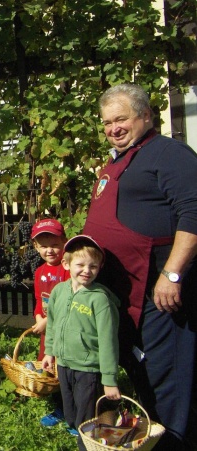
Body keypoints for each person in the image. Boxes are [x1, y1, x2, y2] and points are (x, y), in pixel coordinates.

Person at [82, 83, 197, 450]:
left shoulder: (169, 154)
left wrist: (173, 274)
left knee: (169, 376)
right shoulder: (120, 159)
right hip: (125, 288)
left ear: (146, 116)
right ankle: (151, 435)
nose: (112, 128)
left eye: (121, 119)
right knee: (142, 370)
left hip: (158, 290)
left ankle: (176, 442)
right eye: (106, 123)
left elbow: (193, 213)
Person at [42, 235, 121, 451]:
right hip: (64, 364)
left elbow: (108, 341)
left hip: (88, 368)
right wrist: (50, 352)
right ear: (66, 264)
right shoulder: (59, 292)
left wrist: (109, 379)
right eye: (80, 264)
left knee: (85, 418)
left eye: (93, 266)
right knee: (71, 413)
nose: (86, 270)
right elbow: (53, 325)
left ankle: (88, 445)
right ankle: (83, 433)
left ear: (100, 267)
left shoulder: (100, 300)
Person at [30, 218, 69, 429]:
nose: (50, 250)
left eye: (54, 245)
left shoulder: (68, 270)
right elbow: (39, 300)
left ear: (64, 242)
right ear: (36, 247)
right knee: (49, 368)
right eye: (44, 246)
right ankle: (59, 407)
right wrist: (38, 317)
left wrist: (47, 321)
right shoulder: (40, 272)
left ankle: (73, 410)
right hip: (48, 330)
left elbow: (69, 302)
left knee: (66, 369)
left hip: (65, 329)